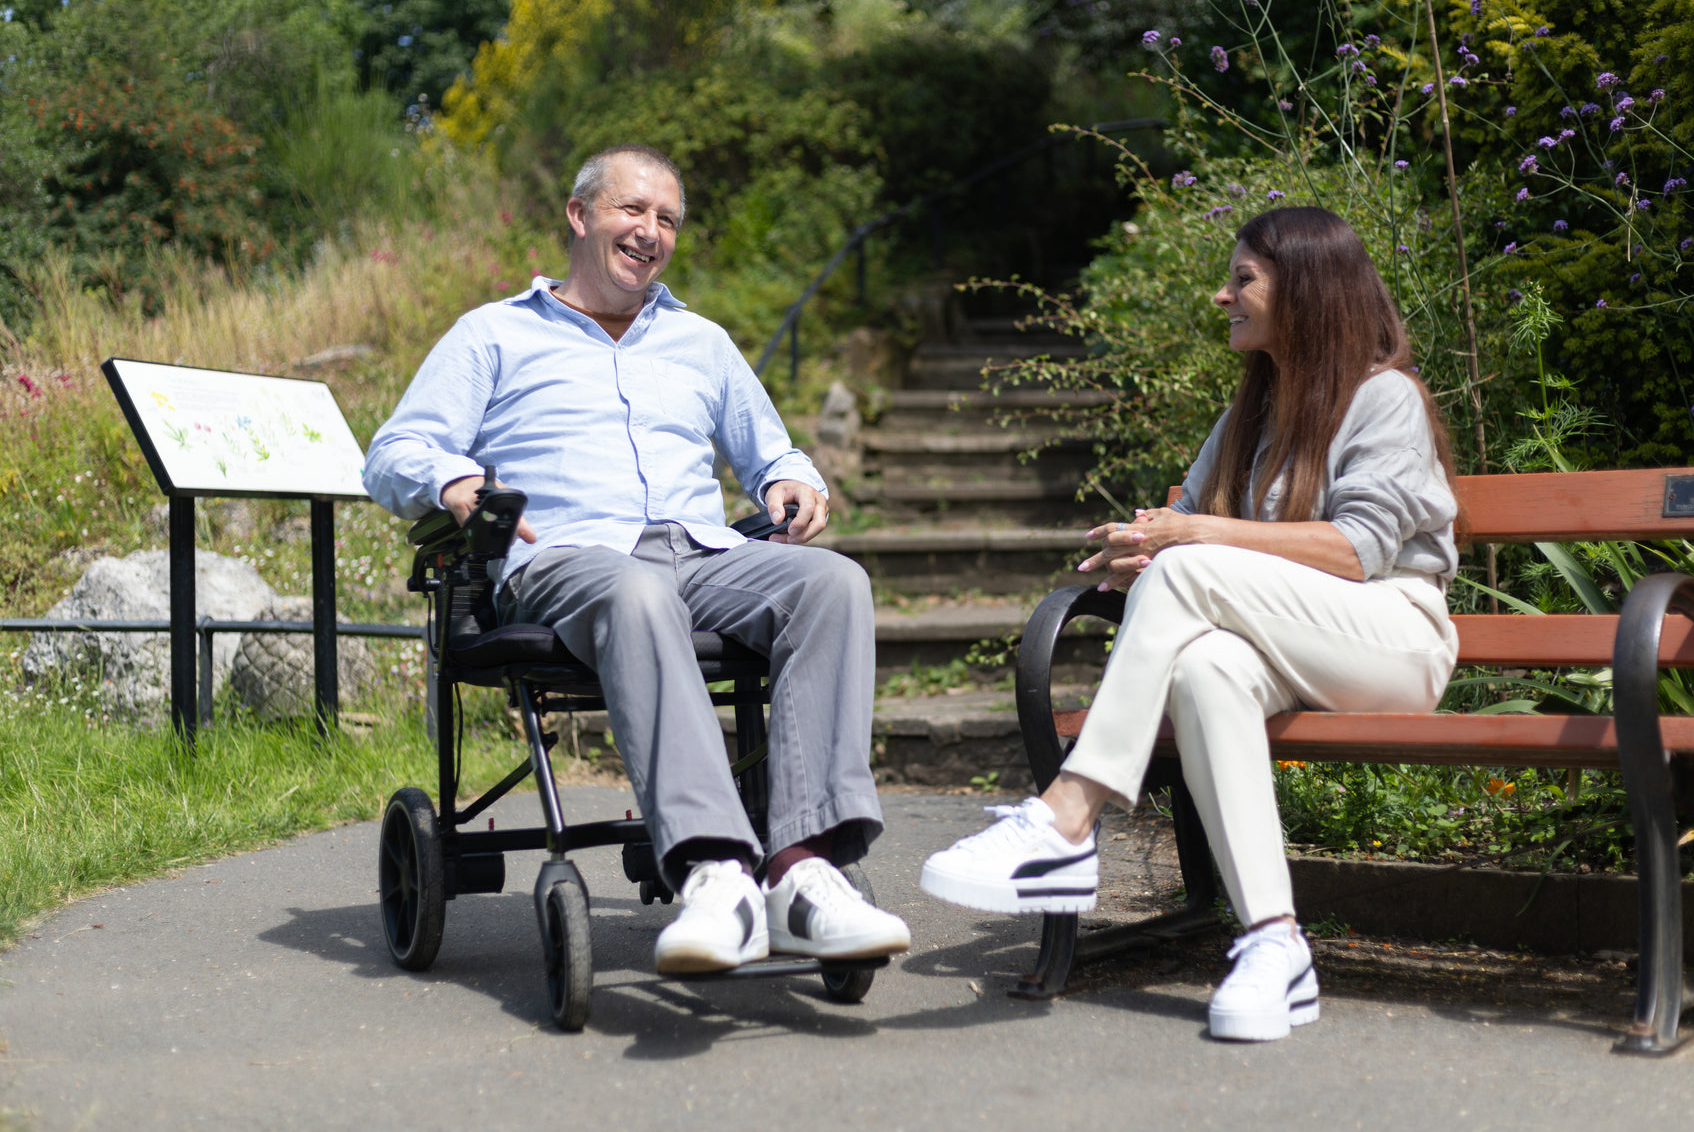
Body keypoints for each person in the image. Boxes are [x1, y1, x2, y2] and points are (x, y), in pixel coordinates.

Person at [365, 143, 909, 976]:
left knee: (834, 582)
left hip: (698, 553)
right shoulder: (494, 334)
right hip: (569, 560)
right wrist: (455, 479)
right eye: (633, 210)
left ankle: (804, 874)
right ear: (580, 217)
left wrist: (793, 479)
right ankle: (716, 871)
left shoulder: (701, 343)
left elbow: (774, 453)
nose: (651, 231)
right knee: (634, 589)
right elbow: (394, 449)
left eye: (667, 220)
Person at [920, 206, 1458, 1041]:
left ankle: (1070, 814)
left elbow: (1358, 552)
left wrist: (1189, 541)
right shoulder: (1253, 409)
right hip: (1288, 640)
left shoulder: (1385, 397)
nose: (1223, 295)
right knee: (1205, 667)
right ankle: (1274, 944)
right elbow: (1192, 532)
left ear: (1308, 289)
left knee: (1188, 564)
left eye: (1243, 278)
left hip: (1395, 639)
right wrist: (1145, 549)